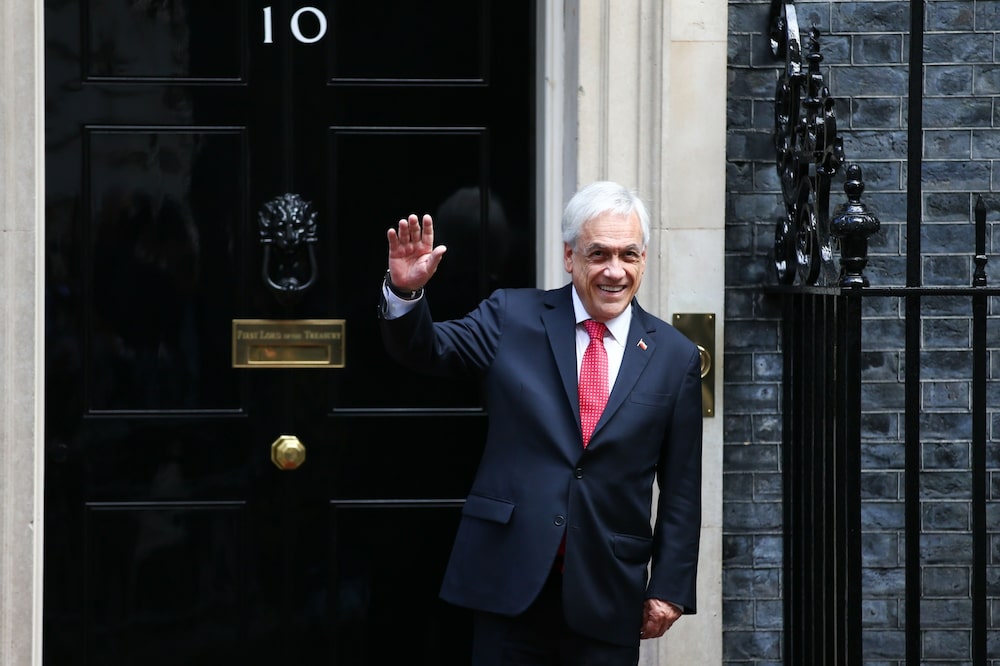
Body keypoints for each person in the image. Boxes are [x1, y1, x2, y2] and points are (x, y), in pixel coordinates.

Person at [378, 181, 702, 665]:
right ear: (570, 257)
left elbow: (681, 486)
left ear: (644, 259)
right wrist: (406, 293)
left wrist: (670, 587)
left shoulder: (674, 355)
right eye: (599, 254)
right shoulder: (512, 316)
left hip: (608, 591)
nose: (615, 271)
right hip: (509, 582)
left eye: (628, 254)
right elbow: (427, 349)